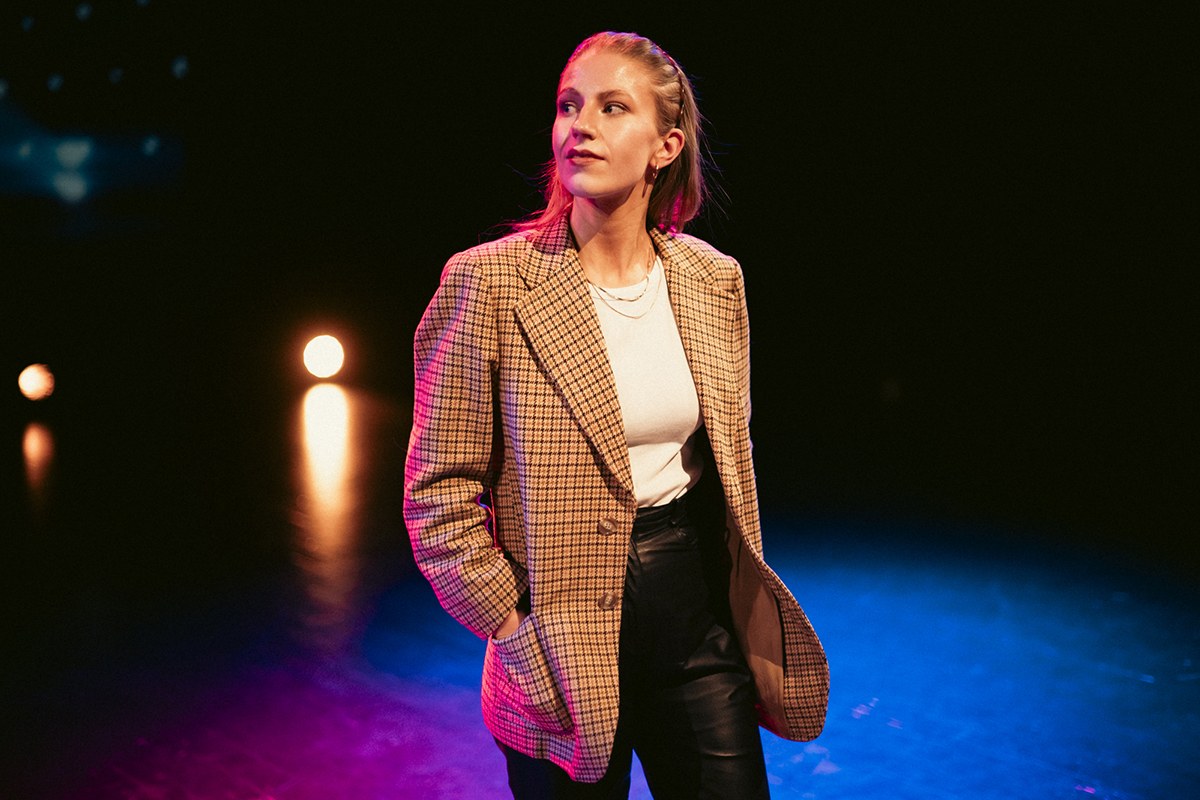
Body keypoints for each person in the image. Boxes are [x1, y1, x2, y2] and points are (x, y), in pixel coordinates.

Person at [403, 31, 829, 798]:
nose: (579, 125)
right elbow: (436, 491)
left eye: (610, 107)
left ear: (665, 145)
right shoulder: (489, 284)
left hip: (694, 616)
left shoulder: (712, 281)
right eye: (569, 106)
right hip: (557, 636)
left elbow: (730, 462)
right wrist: (509, 625)